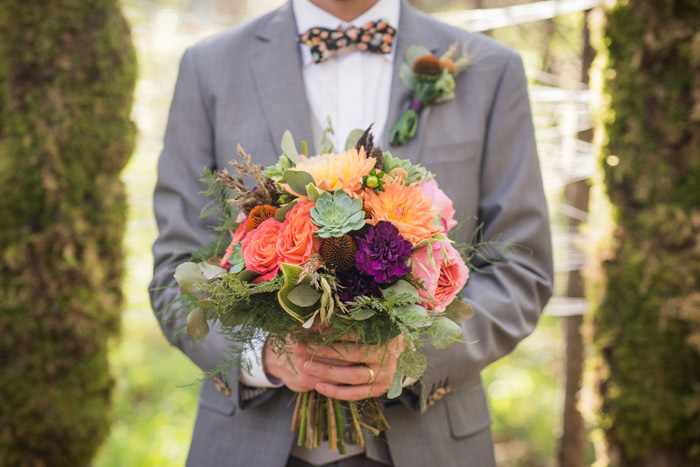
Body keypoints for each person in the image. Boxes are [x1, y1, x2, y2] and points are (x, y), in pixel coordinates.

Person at [149, 0, 554, 465]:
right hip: (250, 443)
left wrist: (412, 354)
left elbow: (522, 265)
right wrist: (264, 354)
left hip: (432, 441)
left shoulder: (491, 69)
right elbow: (174, 269)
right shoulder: (210, 67)